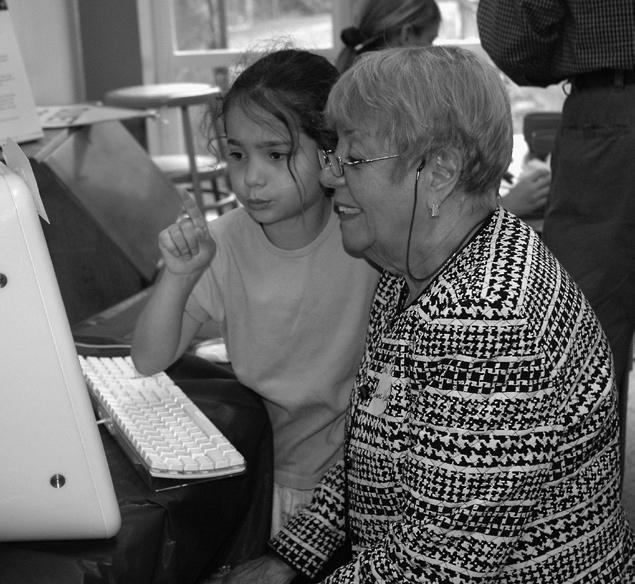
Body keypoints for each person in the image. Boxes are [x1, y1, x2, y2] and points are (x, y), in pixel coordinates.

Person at [217, 46, 635, 583]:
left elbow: (433, 569)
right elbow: (371, 456)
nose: (329, 176)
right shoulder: (413, 269)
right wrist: (289, 557)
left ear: (438, 171)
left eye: (352, 159)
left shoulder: (489, 322)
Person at [131, 49, 379, 535]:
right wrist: (179, 276)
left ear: (330, 150)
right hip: (261, 475)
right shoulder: (223, 242)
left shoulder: (364, 236)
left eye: (276, 155)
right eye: (237, 154)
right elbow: (148, 358)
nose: (251, 178)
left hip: (352, 482)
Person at [477, 0, 635, 471]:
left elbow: (514, 39)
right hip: (611, 112)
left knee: (587, 332)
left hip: (612, 109)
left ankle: (585, 501)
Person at [336, 0, 550, 224]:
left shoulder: (367, 94)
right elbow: (416, 219)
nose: (431, 51)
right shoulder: (384, 105)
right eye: (430, 40)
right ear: (407, 35)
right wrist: (503, 208)